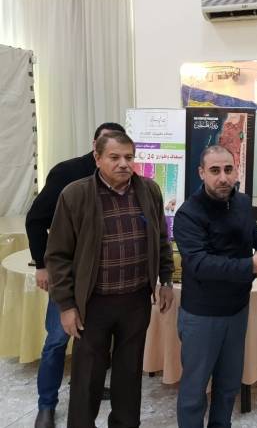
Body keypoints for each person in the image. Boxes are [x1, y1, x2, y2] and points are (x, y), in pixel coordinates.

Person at [45, 131, 174, 428]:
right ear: (98, 158)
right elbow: (58, 255)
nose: (123, 164)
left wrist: (165, 280)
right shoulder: (75, 195)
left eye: (129, 157)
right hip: (93, 304)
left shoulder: (149, 190)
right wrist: (66, 305)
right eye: (114, 157)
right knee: (87, 378)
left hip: (136, 301)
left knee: (129, 374)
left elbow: (161, 239)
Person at [25, 122, 125, 428]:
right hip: (68, 275)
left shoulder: (125, 179)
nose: (119, 160)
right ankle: (46, 404)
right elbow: (35, 219)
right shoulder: (67, 173)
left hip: (104, 281)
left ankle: (90, 387)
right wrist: (41, 265)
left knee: (96, 341)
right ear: (95, 148)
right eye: (108, 149)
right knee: (57, 340)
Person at [174, 145, 257, 428]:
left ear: (236, 170)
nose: (223, 178)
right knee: (194, 392)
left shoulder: (241, 202)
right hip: (202, 315)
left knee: (229, 385)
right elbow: (200, 264)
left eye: (228, 169)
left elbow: (252, 235)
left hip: (237, 309)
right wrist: (249, 266)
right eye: (215, 170)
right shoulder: (188, 214)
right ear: (201, 173)